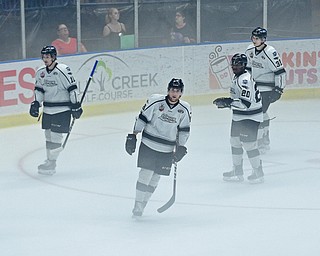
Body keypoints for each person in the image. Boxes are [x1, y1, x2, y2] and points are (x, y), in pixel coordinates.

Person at [125, 78, 191, 217]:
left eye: (177, 91)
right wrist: (133, 135)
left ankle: (143, 204)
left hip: (167, 148)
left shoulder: (184, 109)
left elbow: (184, 130)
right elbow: (142, 118)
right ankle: (137, 204)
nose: (174, 93)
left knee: (156, 177)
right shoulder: (156, 101)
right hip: (149, 143)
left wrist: (181, 147)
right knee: (145, 173)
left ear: (181, 93)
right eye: (172, 90)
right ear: (168, 90)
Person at [29, 45, 83, 175]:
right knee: (48, 135)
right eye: (43, 56)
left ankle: (52, 163)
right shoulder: (41, 72)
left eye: (47, 56)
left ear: (53, 57)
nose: (45, 59)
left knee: (55, 136)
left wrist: (76, 105)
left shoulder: (63, 70)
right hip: (48, 110)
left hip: (62, 110)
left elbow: (72, 89)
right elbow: (39, 89)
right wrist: (36, 103)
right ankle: (49, 160)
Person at [213, 53, 264, 183]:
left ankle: (258, 172)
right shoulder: (238, 77)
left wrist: (228, 102)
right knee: (234, 141)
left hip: (250, 117)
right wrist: (228, 103)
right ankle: (237, 171)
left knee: (249, 144)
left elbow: (245, 104)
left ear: (244, 65)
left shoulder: (244, 79)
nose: (235, 67)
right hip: (239, 116)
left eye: (238, 64)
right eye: (234, 64)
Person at [245, 27, 286, 154]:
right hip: (255, 86)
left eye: (257, 38)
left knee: (259, 113)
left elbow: (280, 72)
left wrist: (279, 89)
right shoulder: (249, 50)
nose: (254, 40)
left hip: (268, 87)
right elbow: (248, 69)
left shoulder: (270, 52)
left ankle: (261, 140)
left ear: (263, 39)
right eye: (253, 37)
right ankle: (265, 138)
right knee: (260, 113)